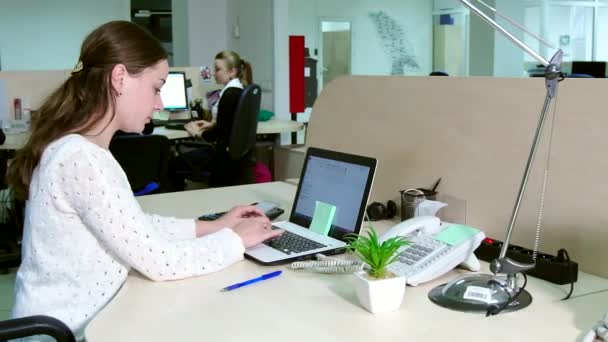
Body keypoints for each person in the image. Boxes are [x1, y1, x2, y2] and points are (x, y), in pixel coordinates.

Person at [7, 21, 282, 341]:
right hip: (67, 334)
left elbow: (131, 226)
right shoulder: (81, 159)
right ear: (120, 78)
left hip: (79, 322)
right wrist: (236, 241)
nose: (160, 103)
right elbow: (160, 261)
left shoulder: (79, 148)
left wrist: (213, 226)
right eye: (156, 87)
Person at [174, 50, 255, 188]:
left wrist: (197, 133)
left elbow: (218, 136)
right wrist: (212, 124)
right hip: (234, 160)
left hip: (222, 159)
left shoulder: (229, 94)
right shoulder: (239, 90)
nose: (213, 73)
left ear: (232, 71)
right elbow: (229, 126)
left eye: (217, 69)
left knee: (172, 162)